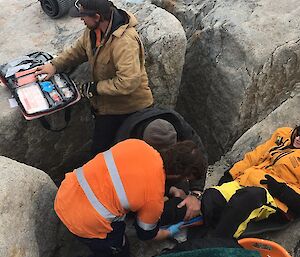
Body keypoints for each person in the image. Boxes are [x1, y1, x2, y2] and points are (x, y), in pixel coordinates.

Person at [36, 0, 153, 156]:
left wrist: (94, 89)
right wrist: (55, 65)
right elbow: (78, 50)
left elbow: (128, 82)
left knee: (127, 154)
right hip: (106, 107)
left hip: (131, 109)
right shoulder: (93, 30)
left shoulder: (125, 42)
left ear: (97, 16)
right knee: (99, 153)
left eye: (83, 16)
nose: (80, 19)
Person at [54, 139, 207, 257]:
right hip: (84, 223)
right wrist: (172, 231)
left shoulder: (137, 145)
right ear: (181, 175)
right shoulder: (153, 199)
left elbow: (130, 177)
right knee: (120, 250)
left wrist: (168, 188)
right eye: (187, 178)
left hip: (65, 194)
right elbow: (146, 235)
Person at [199, 126, 300, 239]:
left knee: (247, 199)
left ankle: (218, 242)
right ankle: (206, 235)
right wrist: (231, 174)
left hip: (272, 197)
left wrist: (281, 190)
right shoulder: (283, 134)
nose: (298, 138)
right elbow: (255, 156)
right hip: (246, 180)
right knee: (212, 197)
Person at [113, 107, 208, 221]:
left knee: (182, 197)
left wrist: (195, 194)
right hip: (129, 183)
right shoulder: (125, 141)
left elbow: (198, 156)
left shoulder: (179, 126)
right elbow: (129, 183)